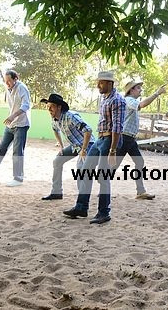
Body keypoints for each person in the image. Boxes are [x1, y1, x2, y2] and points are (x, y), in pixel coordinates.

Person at [63, 71, 125, 224]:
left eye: (101, 82)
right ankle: (81, 207)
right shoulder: (104, 98)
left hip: (110, 140)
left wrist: (113, 150)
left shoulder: (117, 100)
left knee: (103, 176)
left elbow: (117, 128)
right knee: (85, 171)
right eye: (98, 82)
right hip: (100, 139)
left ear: (110, 83)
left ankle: (104, 212)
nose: (98, 85)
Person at [116, 79, 166, 200]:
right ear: (131, 90)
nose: (140, 90)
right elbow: (142, 105)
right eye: (138, 88)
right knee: (115, 165)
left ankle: (141, 191)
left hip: (130, 138)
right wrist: (157, 93)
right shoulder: (129, 100)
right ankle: (103, 183)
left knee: (139, 162)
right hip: (125, 137)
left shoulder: (130, 101)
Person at [40, 93, 93, 201]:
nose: (49, 109)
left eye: (51, 107)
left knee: (81, 169)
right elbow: (55, 130)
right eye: (47, 107)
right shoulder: (54, 119)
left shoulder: (71, 116)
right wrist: (61, 146)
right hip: (75, 146)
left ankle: (82, 201)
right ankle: (56, 192)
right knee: (57, 161)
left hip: (87, 145)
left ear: (59, 107)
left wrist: (84, 150)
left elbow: (88, 130)